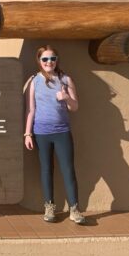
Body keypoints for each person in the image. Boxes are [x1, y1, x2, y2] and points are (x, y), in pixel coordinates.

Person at [24, 45, 85, 224]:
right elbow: (30, 109)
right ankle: (49, 207)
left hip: (62, 132)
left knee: (68, 170)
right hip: (41, 133)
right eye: (45, 59)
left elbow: (75, 107)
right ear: (39, 61)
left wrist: (66, 98)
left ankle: (74, 209)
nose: (49, 62)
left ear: (57, 60)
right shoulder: (34, 81)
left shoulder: (65, 80)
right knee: (46, 170)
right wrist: (27, 134)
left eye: (52, 58)